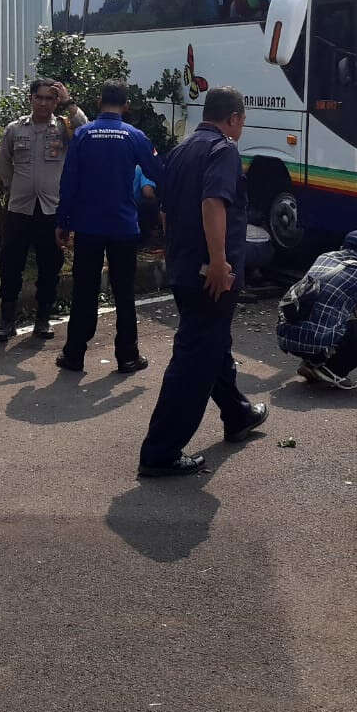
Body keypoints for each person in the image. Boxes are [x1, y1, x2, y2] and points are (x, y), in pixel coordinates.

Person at [137, 87, 268, 478]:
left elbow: (164, 209)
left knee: (212, 345)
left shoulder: (181, 151)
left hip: (183, 268)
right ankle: (160, 451)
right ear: (234, 118)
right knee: (194, 359)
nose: (241, 127)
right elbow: (213, 203)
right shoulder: (224, 150)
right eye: (242, 121)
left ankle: (237, 413)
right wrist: (217, 261)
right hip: (210, 275)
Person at [54, 80, 166, 374]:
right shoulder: (135, 136)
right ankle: (128, 357)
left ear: (98, 102)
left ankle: (74, 355)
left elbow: (69, 182)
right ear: (126, 106)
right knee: (125, 293)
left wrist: (63, 222)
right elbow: (159, 172)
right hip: (123, 227)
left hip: (88, 227)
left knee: (84, 292)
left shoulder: (83, 134)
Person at [0, 79, 87, 341]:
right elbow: (3, 162)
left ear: (56, 102)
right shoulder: (15, 129)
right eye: (39, 98)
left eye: (50, 98)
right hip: (20, 209)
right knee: (10, 265)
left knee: (49, 267)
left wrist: (70, 103)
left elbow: (86, 129)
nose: (44, 103)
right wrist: (15, 186)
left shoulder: (64, 128)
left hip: (51, 210)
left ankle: (43, 319)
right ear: (31, 99)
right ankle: (6, 320)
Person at [276, 230, 357, 391]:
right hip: (315, 340)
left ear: (342, 247)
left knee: (328, 318)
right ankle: (334, 369)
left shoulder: (324, 257)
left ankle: (313, 362)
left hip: (287, 337)